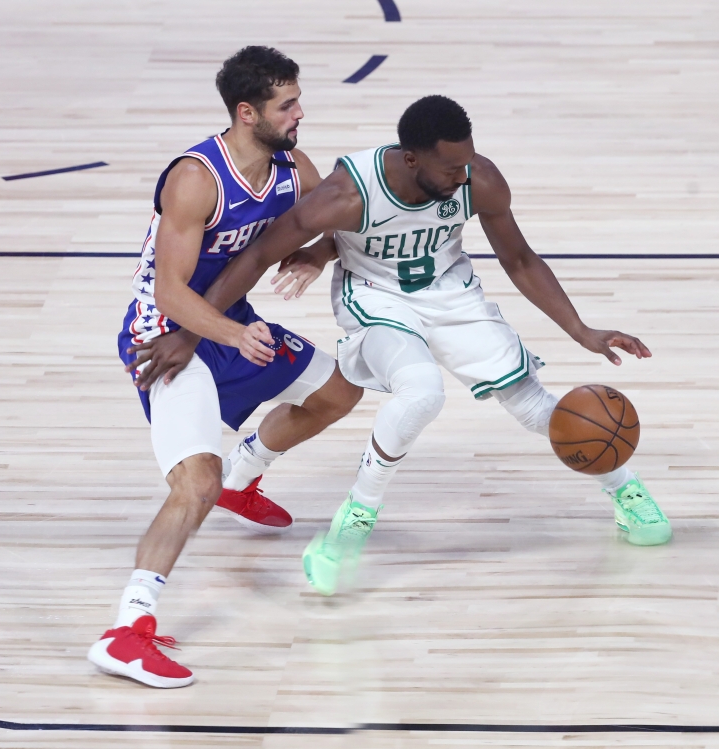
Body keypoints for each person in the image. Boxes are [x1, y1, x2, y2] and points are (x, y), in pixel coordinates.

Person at [133, 94, 672, 603]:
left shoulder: (477, 179)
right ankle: (354, 521)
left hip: (450, 294)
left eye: (467, 164)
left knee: (533, 405)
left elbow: (521, 260)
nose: (462, 177)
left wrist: (583, 331)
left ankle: (625, 491)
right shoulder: (349, 192)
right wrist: (192, 330)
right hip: (375, 299)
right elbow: (255, 258)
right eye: (449, 169)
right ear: (412, 159)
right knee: (421, 392)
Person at [87, 46, 362, 689]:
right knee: (195, 482)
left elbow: (335, 220)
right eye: (286, 104)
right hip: (166, 335)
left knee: (341, 388)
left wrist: (318, 256)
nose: (300, 113)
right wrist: (234, 335)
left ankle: (248, 476)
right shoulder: (197, 178)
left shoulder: (292, 166)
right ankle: (126, 631)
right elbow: (170, 293)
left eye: (298, 99)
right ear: (247, 113)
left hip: (231, 326)